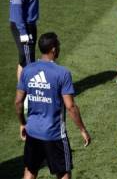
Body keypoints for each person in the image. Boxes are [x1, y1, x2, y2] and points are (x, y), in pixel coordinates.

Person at [15, 32, 91, 179]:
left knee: (30, 170)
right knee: (63, 173)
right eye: (59, 45)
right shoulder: (62, 73)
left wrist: (22, 123)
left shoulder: (27, 70)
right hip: (54, 135)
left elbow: (18, 102)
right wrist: (82, 130)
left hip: (33, 132)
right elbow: (70, 107)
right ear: (53, 49)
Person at [10, 0, 43, 82]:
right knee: (29, 62)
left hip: (30, 25)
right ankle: (28, 96)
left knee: (24, 59)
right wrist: (23, 32)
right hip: (22, 26)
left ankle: (22, 92)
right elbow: (16, 8)